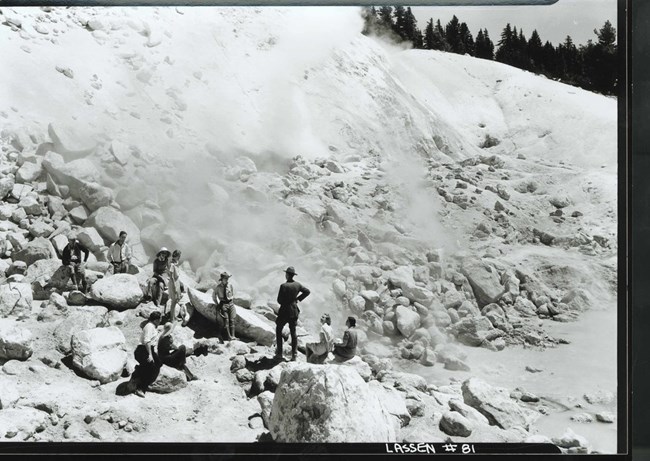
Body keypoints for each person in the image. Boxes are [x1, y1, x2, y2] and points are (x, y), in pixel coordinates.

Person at [275, 266, 310, 361]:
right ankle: (294, 355)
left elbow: (279, 300)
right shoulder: (297, 285)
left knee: (279, 329)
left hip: (284, 311)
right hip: (294, 310)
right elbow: (307, 292)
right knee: (293, 332)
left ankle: (279, 353)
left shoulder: (283, 286)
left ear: (287, 275)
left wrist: (285, 301)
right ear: (293, 275)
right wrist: (298, 299)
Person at [131, 311, 163, 398]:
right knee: (151, 367)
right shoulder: (149, 326)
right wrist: (150, 354)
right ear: (156, 320)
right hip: (143, 350)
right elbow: (147, 341)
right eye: (160, 318)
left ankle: (139, 369)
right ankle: (140, 388)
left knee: (158, 363)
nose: (161, 320)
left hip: (148, 349)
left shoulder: (152, 326)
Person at [213, 271, 236, 341]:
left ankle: (233, 336)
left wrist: (232, 301)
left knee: (232, 320)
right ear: (222, 279)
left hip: (231, 303)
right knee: (227, 321)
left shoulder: (230, 285)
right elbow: (214, 296)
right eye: (225, 278)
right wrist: (217, 304)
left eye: (227, 278)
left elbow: (232, 293)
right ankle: (229, 337)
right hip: (223, 304)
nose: (227, 280)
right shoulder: (218, 287)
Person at [166, 250, 182, 323]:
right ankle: (172, 318)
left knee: (176, 300)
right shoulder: (172, 264)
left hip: (176, 281)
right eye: (178, 256)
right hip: (173, 283)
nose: (179, 257)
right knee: (174, 301)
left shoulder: (175, 263)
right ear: (175, 256)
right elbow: (171, 276)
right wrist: (175, 286)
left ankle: (174, 316)